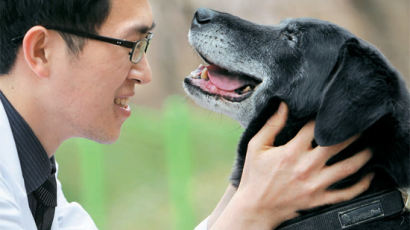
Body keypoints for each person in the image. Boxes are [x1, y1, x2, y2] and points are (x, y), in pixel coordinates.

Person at [0, 0, 373, 229]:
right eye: (130, 45)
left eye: (145, 46)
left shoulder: (37, 179)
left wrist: (243, 191)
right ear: (42, 52)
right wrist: (250, 216)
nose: (145, 73)